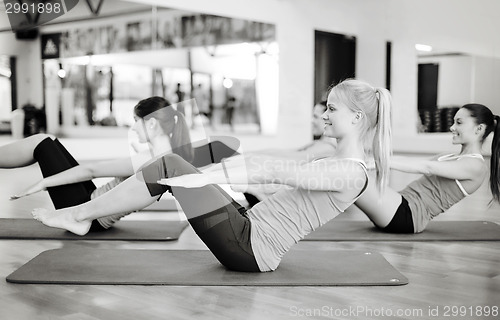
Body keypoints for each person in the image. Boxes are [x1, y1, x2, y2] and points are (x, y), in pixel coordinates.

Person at [32, 79, 392, 272]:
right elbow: (266, 164)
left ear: (357, 118)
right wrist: (209, 172)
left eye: (331, 108)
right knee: (173, 165)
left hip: (251, 248)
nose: (324, 114)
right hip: (246, 226)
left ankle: (80, 214)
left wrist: (202, 178)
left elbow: (280, 171)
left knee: (171, 166)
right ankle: (84, 214)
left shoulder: (351, 173)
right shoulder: (340, 162)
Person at [2, 97, 193, 231]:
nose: (133, 127)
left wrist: (42, 183)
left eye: (136, 121)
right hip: (95, 209)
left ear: (151, 123)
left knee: (41, 143)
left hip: (87, 211)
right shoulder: (167, 155)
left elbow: (91, 170)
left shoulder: (148, 159)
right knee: (50, 141)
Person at [355, 103, 500, 233]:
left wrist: (382, 163)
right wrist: (376, 160)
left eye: (459, 123)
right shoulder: (449, 156)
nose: (452, 127)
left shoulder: (476, 166)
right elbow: (414, 161)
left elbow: (427, 167)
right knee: (350, 173)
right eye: (454, 122)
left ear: (479, 129)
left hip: (407, 216)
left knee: (352, 176)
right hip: (398, 204)